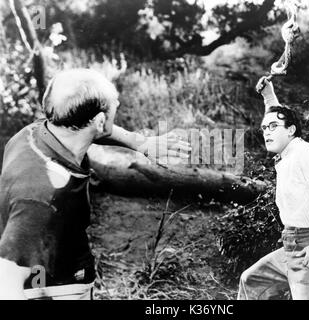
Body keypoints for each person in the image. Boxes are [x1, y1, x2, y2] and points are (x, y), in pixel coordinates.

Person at [0, 68, 191, 300]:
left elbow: (90, 129)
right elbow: (7, 280)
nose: (116, 105)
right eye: (113, 107)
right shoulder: (43, 196)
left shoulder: (33, 133)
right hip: (53, 289)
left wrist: (141, 143)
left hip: (57, 263)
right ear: (100, 121)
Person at [237, 77, 309, 300]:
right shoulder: (289, 151)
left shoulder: (304, 154)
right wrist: (268, 95)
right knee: (251, 281)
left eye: (272, 128)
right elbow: (278, 118)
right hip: (291, 245)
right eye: (264, 128)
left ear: (291, 131)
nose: (267, 132)